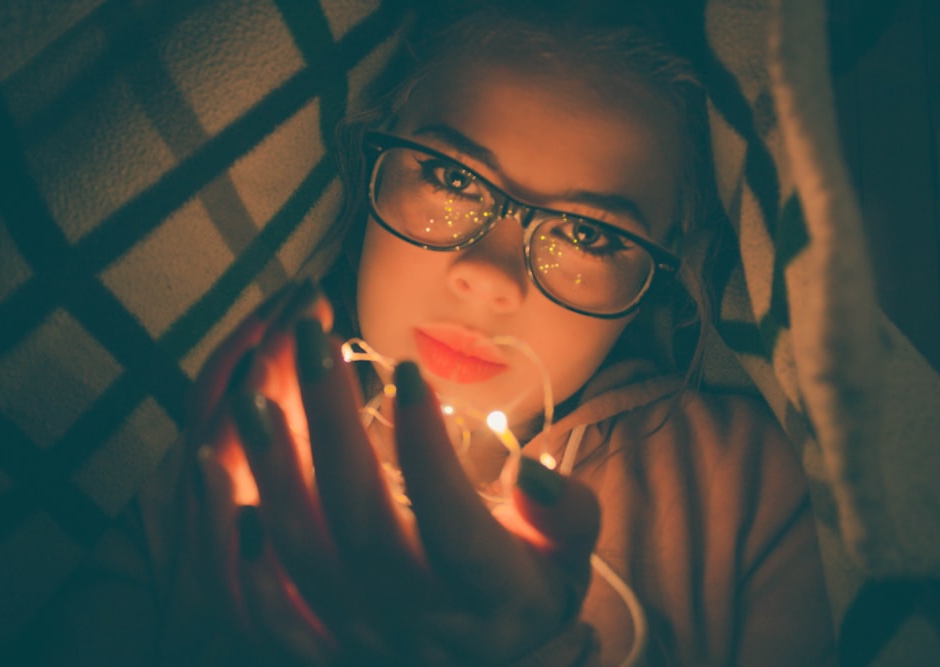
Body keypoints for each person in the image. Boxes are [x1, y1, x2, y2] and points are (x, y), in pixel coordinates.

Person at [185, 2, 836, 665]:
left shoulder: (749, 496)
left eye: (587, 234)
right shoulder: (229, 444)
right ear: (368, 160)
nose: (492, 276)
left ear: (671, 262)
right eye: (453, 179)